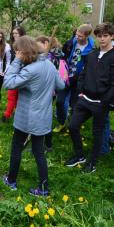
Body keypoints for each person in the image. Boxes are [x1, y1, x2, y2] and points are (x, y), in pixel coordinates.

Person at [3, 36, 65, 196]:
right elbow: (61, 85)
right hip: (44, 116)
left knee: (16, 148)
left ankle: (11, 180)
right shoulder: (49, 65)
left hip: (27, 117)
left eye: (18, 51)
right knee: (38, 152)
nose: (16, 54)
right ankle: (43, 188)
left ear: (23, 52)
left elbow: (8, 83)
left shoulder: (29, 70)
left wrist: (16, 62)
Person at [65, 23, 114, 173]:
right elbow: (83, 74)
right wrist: (80, 91)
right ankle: (80, 155)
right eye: (99, 36)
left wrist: (105, 101)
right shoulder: (91, 54)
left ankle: (92, 163)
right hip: (84, 99)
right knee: (73, 126)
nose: (102, 39)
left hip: (100, 103)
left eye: (105, 36)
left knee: (97, 133)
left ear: (112, 36)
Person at [54, 24, 95, 133]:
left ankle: (73, 126)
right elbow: (63, 57)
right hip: (65, 77)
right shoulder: (70, 43)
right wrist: (59, 56)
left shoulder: (91, 50)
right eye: (76, 34)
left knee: (74, 105)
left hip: (78, 81)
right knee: (59, 102)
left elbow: (89, 67)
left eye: (80, 36)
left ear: (87, 36)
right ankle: (61, 122)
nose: (77, 37)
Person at [36, 35, 64, 152]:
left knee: (44, 117)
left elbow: (48, 74)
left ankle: (47, 144)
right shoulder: (48, 55)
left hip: (48, 91)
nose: (36, 47)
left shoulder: (52, 56)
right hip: (46, 91)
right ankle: (42, 143)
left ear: (46, 44)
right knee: (42, 116)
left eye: (38, 45)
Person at [1, 26, 26, 122]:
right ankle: (11, 114)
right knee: (12, 95)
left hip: (21, 73)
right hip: (13, 71)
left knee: (14, 94)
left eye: (16, 33)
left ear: (21, 34)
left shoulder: (24, 45)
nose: (14, 35)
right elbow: (10, 60)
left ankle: (7, 115)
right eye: (13, 33)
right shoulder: (13, 44)